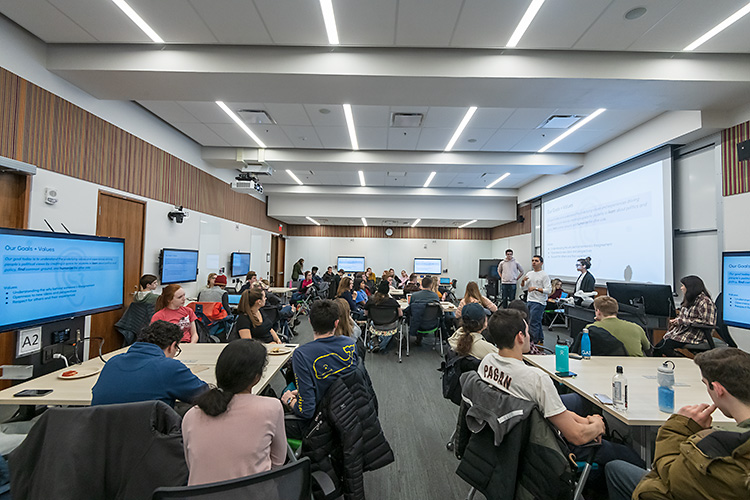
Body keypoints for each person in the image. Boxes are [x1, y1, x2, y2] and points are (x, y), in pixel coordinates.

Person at [481, 309, 643, 469]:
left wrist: (585, 421)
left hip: (512, 437)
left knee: (578, 404)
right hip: (548, 447)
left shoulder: (487, 362)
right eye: (528, 332)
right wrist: (597, 426)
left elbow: (551, 410)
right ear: (520, 337)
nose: (530, 336)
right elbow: (577, 436)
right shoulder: (536, 378)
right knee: (630, 457)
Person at [606, 348, 750, 500]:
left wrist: (677, 428)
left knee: (616, 469)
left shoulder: (720, 446)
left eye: (706, 385)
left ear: (718, 389)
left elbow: (671, 477)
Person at [181, 339, 286, 486]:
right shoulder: (271, 407)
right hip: (255, 494)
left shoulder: (191, 415)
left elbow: (192, 464)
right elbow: (278, 461)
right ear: (256, 377)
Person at [91, 320, 207, 406]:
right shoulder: (169, 368)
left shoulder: (112, 363)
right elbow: (206, 396)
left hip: (105, 435)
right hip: (151, 436)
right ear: (172, 346)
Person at [281, 300, 357, 428]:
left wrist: (289, 400)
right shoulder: (349, 343)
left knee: (284, 394)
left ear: (310, 321)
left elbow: (306, 411)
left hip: (323, 423)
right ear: (336, 323)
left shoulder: (302, 354)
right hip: (349, 410)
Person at [653, 275, 717, 357]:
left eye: (683, 286)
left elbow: (708, 322)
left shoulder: (705, 302)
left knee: (664, 347)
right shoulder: (689, 300)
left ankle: (688, 363)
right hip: (683, 332)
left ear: (690, 288)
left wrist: (682, 321)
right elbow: (685, 317)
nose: (681, 288)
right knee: (658, 348)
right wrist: (677, 321)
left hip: (694, 335)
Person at [520, 255, 552, 344]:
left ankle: (533, 342)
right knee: (534, 321)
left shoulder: (544, 275)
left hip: (539, 301)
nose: (534, 262)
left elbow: (548, 290)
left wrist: (536, 288)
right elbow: (524, 288)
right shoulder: (529, 274)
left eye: (536, 261)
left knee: (533, 322)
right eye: (533, 260)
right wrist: (522, 281)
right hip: (530, 300)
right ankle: (540, 340)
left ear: (541, 263)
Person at [364, 281, 403, 352]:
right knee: (395, 326)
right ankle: (382, 345)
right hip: (391, 328)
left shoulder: (371, 301)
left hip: (376, 326)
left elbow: (366, 314)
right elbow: (400, 314)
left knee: (371, 324)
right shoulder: (393, 302)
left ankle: (376, 342)